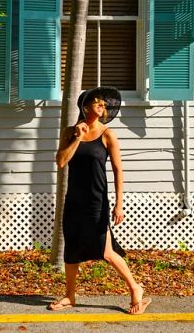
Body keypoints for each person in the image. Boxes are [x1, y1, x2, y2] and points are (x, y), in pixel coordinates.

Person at [49, 86, 151, 315]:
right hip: (74, 200)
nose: (102, 106)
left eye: (104, 104)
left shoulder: (108, 134)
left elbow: (118, 170)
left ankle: (136, 288)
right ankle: (70, 295)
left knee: (105, 252)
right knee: (72, 249)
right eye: (98, 103)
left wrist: (119, 204)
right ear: (85, 107)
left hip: (97, 201)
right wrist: (77, 137)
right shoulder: (69, 132)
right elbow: (61, 162)